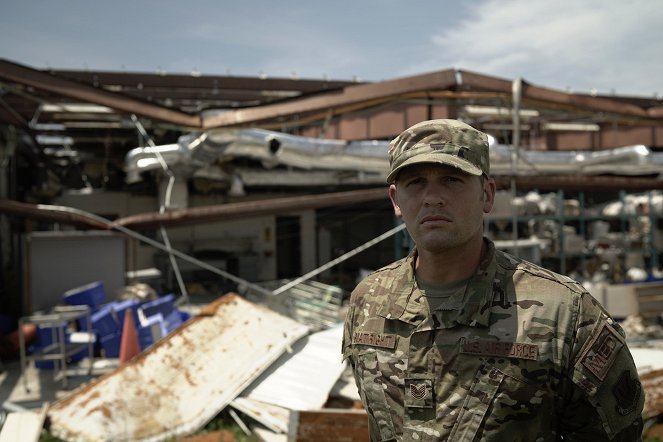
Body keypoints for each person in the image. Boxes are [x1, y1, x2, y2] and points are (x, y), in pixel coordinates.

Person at [342, 119, 644, 441]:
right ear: (396, 201)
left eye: (452, 179)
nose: (433, 197)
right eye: (415, 182)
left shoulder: (564, 313)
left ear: (487, 195)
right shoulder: (369, 302)